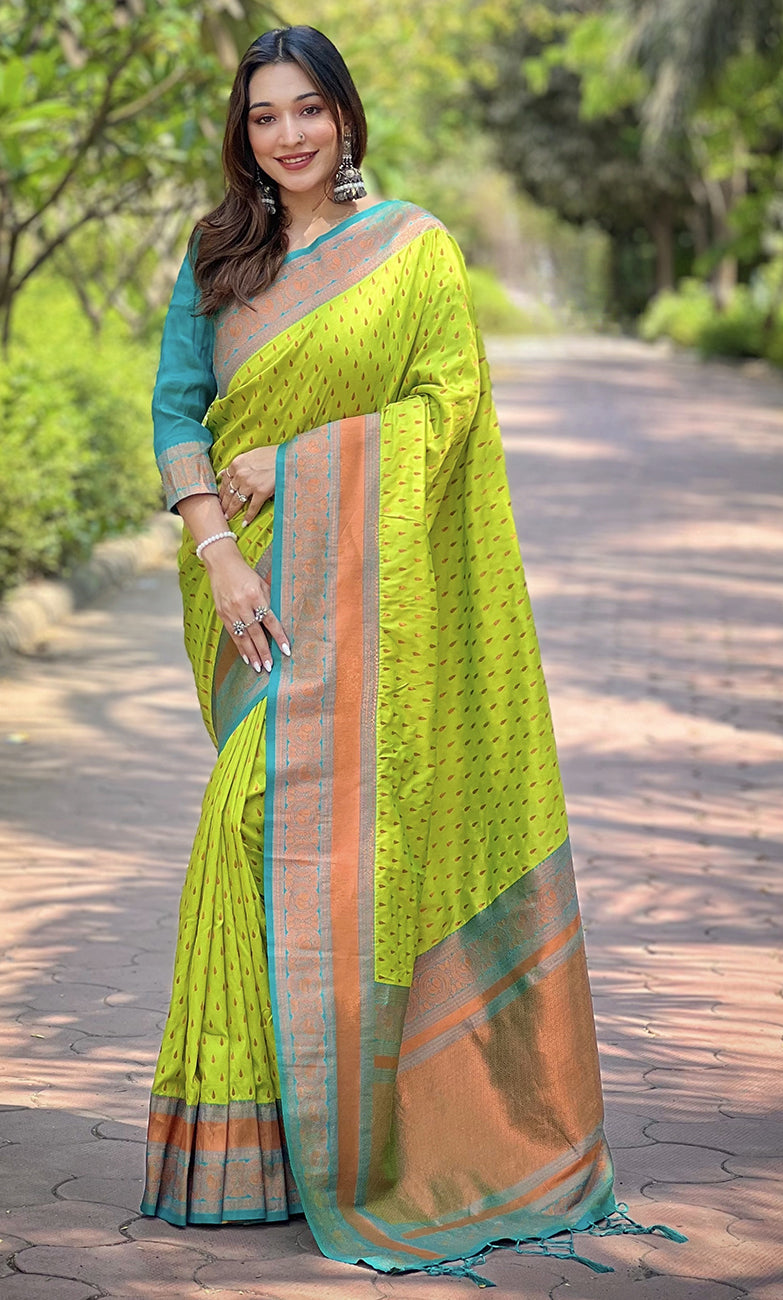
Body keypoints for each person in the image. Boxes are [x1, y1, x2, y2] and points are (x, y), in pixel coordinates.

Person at [140, 24, 683, 1285]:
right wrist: (218, 551)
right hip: (252, 586)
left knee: (299, 833)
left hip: (366, 592)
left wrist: (299, 462)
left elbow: (447, 405)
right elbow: (175, 409)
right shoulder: (217, 254)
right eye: (265, 114)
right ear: (243, 132)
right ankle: (251, 1148)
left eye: (308, 109)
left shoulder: (412, 250)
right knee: (254, 822)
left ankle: (347, 1133)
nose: (288, 134)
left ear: (345, 116)